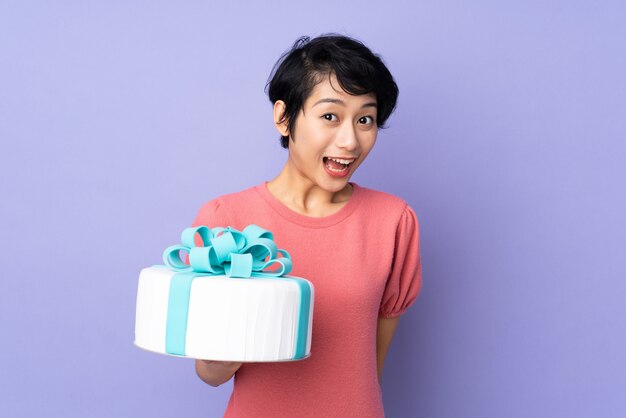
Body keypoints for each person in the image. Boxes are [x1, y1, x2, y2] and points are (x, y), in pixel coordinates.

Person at [193, 33, 422, 417]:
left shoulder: (393, 221)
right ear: (284, 117)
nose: (350, 141)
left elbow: (367, 373)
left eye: (365, 119)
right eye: (330, 116)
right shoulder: (224, 219)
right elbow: (210, 373)